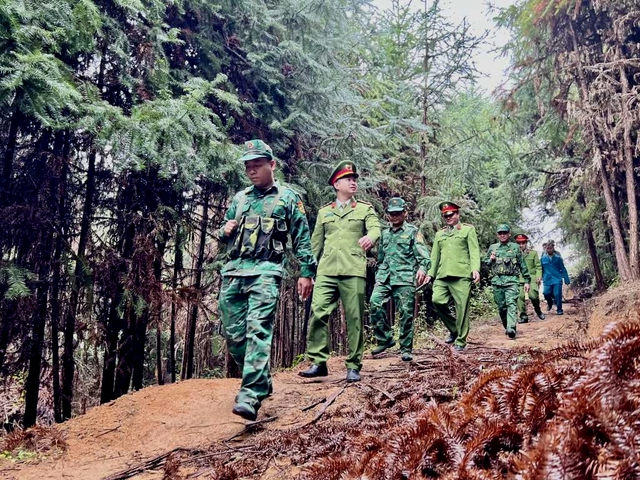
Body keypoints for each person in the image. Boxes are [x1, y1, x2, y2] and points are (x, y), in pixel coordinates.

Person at [217, 139, 316, 421]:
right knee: (235, 336)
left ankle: (250, 394)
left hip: (266, 272)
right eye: (248, 167)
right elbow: (223, 235)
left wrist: (306, 272)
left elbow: (302, 237)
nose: (252, 171)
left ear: (272, 165)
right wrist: (225, 230)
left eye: (257, 165)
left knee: (257, 329)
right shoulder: (239, 198)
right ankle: (262, 380)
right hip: (234, 272)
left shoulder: (288, 197)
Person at [299, 161, 381, 383]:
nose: (353, 182)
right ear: (336, 184)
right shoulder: (325, 212)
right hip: (327, 271)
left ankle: (354, 365)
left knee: (354, 317)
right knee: (317, 312)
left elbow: (375, 227)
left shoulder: (364, 209)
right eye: (348, 179)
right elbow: (315, 244)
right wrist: (306, 272)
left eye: (354, 179)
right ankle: (318, 362)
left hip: (353, 270)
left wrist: (371, 237)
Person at [369, 197, 431, 362]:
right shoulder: (384, 233)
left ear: (405, 213)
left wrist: (423, 269)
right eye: (391, 213)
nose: (394, 216)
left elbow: (424, 256)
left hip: (404, 278)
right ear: (388, 214)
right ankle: (385, 339)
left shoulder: (412, 232)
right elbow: (381, 257)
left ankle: (405, 348)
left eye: (397, 213)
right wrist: (379, 274)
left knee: (405, 312)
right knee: (374, 302)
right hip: (385, 276)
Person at [424, 201, 480, 351]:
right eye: (445, 216)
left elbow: (474, 252)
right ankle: (454, 330)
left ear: (458, 214)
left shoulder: (467, 230)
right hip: (442, 275)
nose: (448, 217)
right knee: (437, 300)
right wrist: (430, 274)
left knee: (462, 308)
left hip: (461, 274)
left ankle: (461, 340)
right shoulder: (439, 234)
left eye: (451, 214)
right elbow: (434, 257)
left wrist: (475, 269)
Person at [484, 225, 530, 339]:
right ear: (497, 235)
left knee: (511, 304)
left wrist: (527, 281)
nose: (502, 235)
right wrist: (491, 258)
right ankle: (507, 327)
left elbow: (522, 264)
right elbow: (486, 263)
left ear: (509, 234)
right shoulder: (493, 248)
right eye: (500, 233)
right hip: (497, 281)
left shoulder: (515, 247)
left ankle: (511, 328)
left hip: (512, 281)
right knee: (501, 306)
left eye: (505, 233)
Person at [514, 233, 545, 323]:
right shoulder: (514, 254)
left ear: (526, 243)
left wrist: (538, 276)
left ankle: (538, 310)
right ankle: (523, 316)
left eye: (523, 243)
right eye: (519, 243)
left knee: (533, 295)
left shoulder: (533, 253)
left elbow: (538, 266)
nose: (521, 245)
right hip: (519, 278)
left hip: (531, 277)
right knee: (520, 297)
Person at [541, 240, 570, 315]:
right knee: (545, 293)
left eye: (550, 248)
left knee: (557, 294)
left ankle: (559, 309)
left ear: (553, 248)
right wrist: (539, 277)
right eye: (547, 248)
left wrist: (566, 279)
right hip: (547, 279)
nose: (549, 250)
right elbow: (540, 269)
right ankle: (550, 302)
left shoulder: (558, 258)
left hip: (557, 279)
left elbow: (563, 269)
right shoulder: (542, 259)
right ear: (546, 249)